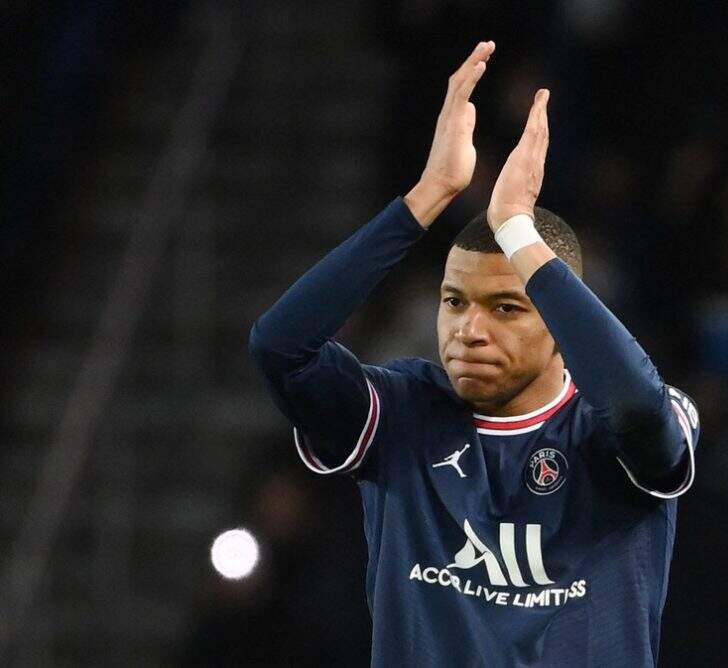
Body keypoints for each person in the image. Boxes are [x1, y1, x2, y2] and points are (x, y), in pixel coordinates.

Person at [249, 40, 700, 667]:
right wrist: (427, 196)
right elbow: (281, 346)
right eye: (455, 302)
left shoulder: (623, 425)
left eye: (506, 307)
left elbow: (635, 406)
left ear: (562, 320)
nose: (469, 330)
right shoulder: (402, 412)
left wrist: (518, 228)